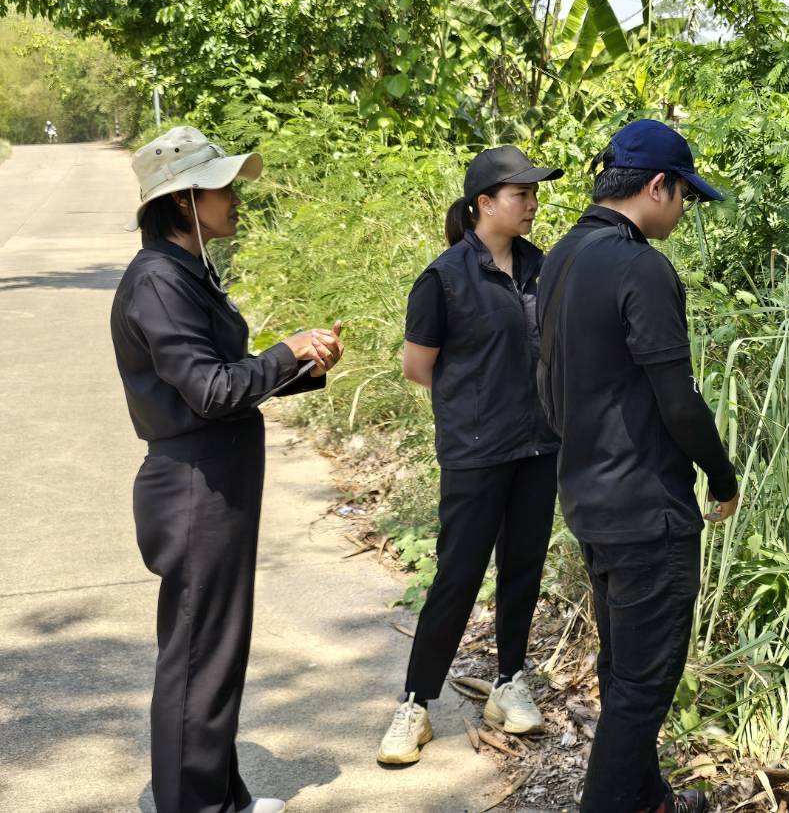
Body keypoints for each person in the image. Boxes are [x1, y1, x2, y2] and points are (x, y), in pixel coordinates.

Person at [110, 126, 344, 813]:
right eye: (221, 187)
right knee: (198, 655)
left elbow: (223, 378)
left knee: (215, 649)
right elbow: (209, 391)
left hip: (213, 482)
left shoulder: (187, 271)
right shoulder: (158, 280)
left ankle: (220, 796)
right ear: (183, 201)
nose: (235, 197)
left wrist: (301, 365)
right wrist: (284, 351)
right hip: (192, 487)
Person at [538, 119, 739, 813]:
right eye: (684, 195)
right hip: (646, 510)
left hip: (588, 499)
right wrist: (721, 475)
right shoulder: (640, 267)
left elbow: (548, 385)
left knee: (622, 669)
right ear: (658, 186)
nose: (683, 211)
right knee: (643, 687)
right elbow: (678, 400)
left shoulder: (562, 256)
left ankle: (649, 800)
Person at [376, 146, 566, 765]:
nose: (532, 204)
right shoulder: (445, 278)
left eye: (534, 194)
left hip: (539, 445)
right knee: (457, 575)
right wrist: (480, 400)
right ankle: (415, 704)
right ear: (484, 203)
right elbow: (418, 367)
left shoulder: (543, 268)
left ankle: (510, 682)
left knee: (522, 569)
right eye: (521, 194)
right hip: (476, 451)